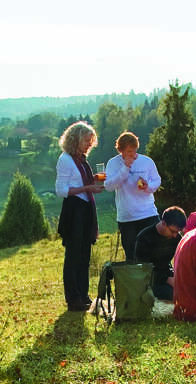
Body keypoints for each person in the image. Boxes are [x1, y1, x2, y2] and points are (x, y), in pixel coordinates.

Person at [54, 120, 104, 312]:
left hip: (85, 209)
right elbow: (61, 190)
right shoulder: (65, 159)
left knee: (85, 254)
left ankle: (84, 295)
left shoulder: (81, 160)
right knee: (73, 255)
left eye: (91, 141)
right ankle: (73, 298)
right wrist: (87, 188)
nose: (89, 145)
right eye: (86, 140)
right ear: (75, 139)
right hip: (74, 209)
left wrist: (94, 184)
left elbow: (86, 183)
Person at [102, 131, 162, 263]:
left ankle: (158, 281)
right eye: (129, 151)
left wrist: (147, 186)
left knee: (156, 251)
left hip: (148, 214)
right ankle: (135, 282)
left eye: (134, 151)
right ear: (121, 150)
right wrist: (125, 168)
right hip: (127, 218)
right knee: (132, 255)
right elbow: (109, 186)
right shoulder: (113, 163)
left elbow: (157, 181)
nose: (132, 155)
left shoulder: (146, 161)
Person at [134, 206, 186, 300]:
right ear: (163, 223)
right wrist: (167, 280)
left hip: (168, 273)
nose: (175, 235)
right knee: (172, 294)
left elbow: (184, 261)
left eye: (178, 232)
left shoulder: (177, 238)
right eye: (173, 231)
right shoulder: (144, 238)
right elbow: (143, 270)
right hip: (149, 280)